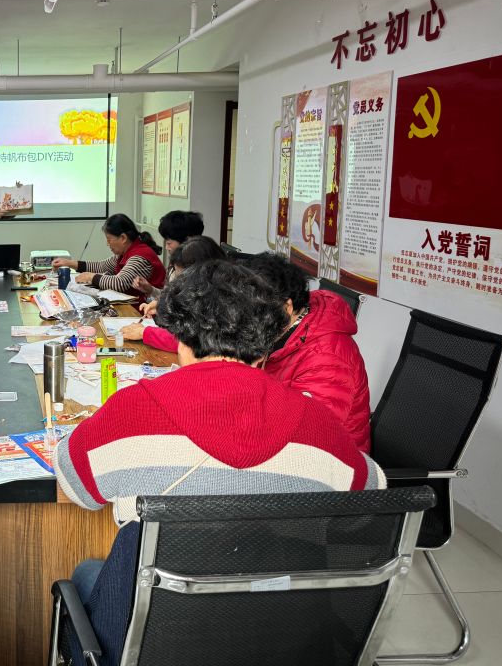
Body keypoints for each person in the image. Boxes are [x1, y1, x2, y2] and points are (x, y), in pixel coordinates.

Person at [53, 261, 384, 664]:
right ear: (268, 339)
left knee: (88, 572)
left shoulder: (132, 409)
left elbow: (76, 487)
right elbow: (367, 504)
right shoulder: (317, 421)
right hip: (282, 640)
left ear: (179, 336)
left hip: (155, 643)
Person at [242, 252, 372, 452]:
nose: (245, 318)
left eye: (254, 310)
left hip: (330, 459)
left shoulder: (327, 358)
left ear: (287, 307)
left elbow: (310, 434)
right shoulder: (278, 330)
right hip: (277, 438)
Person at [119, 235, 228, 350]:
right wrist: (164, 307)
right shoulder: (207, 288)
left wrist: (144, 333)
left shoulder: (221, 301)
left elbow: (189, 342)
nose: (180, 282)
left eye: (183, 277)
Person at [52, 213, 166, 297]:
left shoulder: (139, 257)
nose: (107, 244)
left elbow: (119, 283)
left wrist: (91, 277)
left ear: (123, 238)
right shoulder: (126, 252)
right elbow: (102, 266)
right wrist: (68, 263)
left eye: (109, 239)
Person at [132, 209, 205, 298]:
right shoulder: (174, 264)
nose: (166, 247)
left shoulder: (199, 271)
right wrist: (150, 290)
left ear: (187, 241)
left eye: (169, 243)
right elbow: (168, 296)